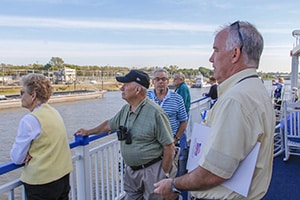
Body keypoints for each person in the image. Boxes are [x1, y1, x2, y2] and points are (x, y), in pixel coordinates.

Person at [154, 21, 275, 200]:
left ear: (235, 53)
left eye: (216, 50)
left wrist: (173, 184)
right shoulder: (255, 89)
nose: (211, 59)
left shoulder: (236, 100)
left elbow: (214, 172)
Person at [75, 70, 177, 200]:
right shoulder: (126, 109)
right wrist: (88, 132)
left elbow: (169, 147)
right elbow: (109, 125)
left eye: (125, 85)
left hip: (152, 170)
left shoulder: (156, 113)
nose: (121, 88)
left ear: (138, 89)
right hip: (131, 171)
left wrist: (164, 174)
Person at [10, 73, 73, 200]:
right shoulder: (54, 112)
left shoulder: (29, 120)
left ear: (33, 96)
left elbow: (16, 158)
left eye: (22, 92)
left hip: (41, 183)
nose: (20, 96)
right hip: (62, 176)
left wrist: (26, 154)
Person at [147, 68, 188, 177]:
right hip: (150, 147)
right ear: (153, 81)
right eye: (157, 79)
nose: (160, 82)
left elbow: (183, 121)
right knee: (151, 180)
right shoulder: (145, 98)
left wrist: (175, 139)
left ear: (167, 81)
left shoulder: (177, 98)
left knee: (168, 178)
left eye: (164, 79)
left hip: (169, 147)